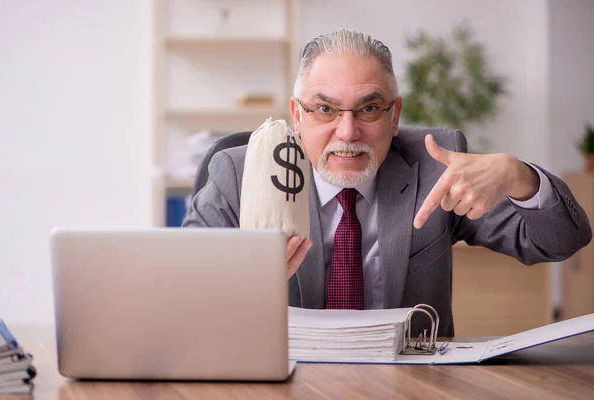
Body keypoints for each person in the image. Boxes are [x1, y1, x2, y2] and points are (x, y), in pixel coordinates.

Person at [183, 29, 591, 336]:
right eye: (325, 109)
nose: (347, 132)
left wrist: (519, 175)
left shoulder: (434, 166)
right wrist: (243, 285)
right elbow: (183, 299)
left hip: (410, 386)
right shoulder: (239, 174)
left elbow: (561, 241)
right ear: (298, 115)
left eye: (369, 108)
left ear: (395, 116)